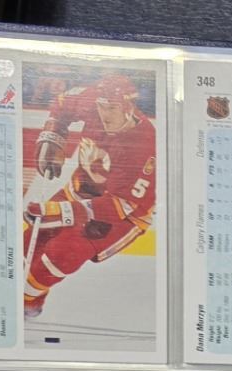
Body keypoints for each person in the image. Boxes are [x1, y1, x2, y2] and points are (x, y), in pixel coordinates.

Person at [22, 75, 156, 319]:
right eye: (102, 107)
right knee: (28, 243)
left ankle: (26, 302)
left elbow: (120, 205)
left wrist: (58, 212)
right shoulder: (92, 99)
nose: (105, 115)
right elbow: (61, 105)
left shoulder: (144, 142)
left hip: (122, 214)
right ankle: (30, 300)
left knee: (61, 254)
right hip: (78, 191)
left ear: (128, 106)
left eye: (112, 108)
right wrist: (54, 136)